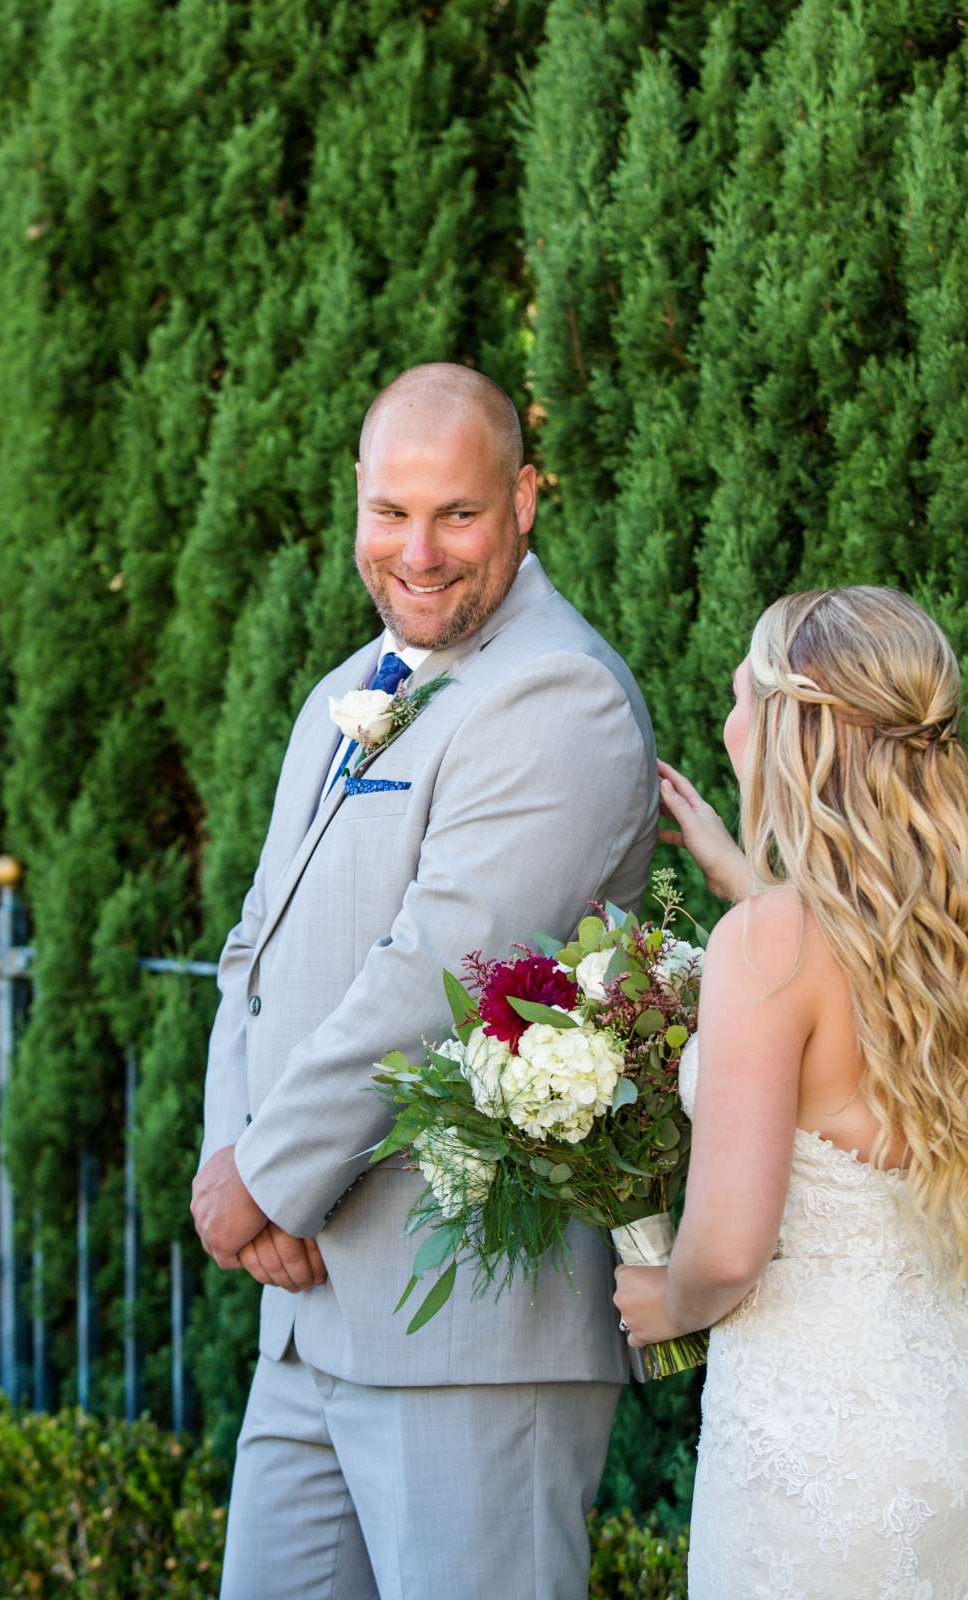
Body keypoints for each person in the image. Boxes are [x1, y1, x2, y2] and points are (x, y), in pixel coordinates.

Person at [191, 362, 659, 1597]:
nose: (420, 550)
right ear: (356, 501)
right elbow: (257, 946)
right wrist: (233, 1155)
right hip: (311, 1311)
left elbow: (439, 974)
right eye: (391, 511)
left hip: (470, 1330)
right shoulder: (352, 689)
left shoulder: (559, 696)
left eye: (457, 512)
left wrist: (271, 1174)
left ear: (526, 500)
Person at [625, 585, 968, 1598]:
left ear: (804, 729)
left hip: (843, 1461)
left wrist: (669, 1300)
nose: (728, 723)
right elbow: (857, 994)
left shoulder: (769, 949)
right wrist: (743, 875)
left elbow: (732, 1244)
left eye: (746, 698)